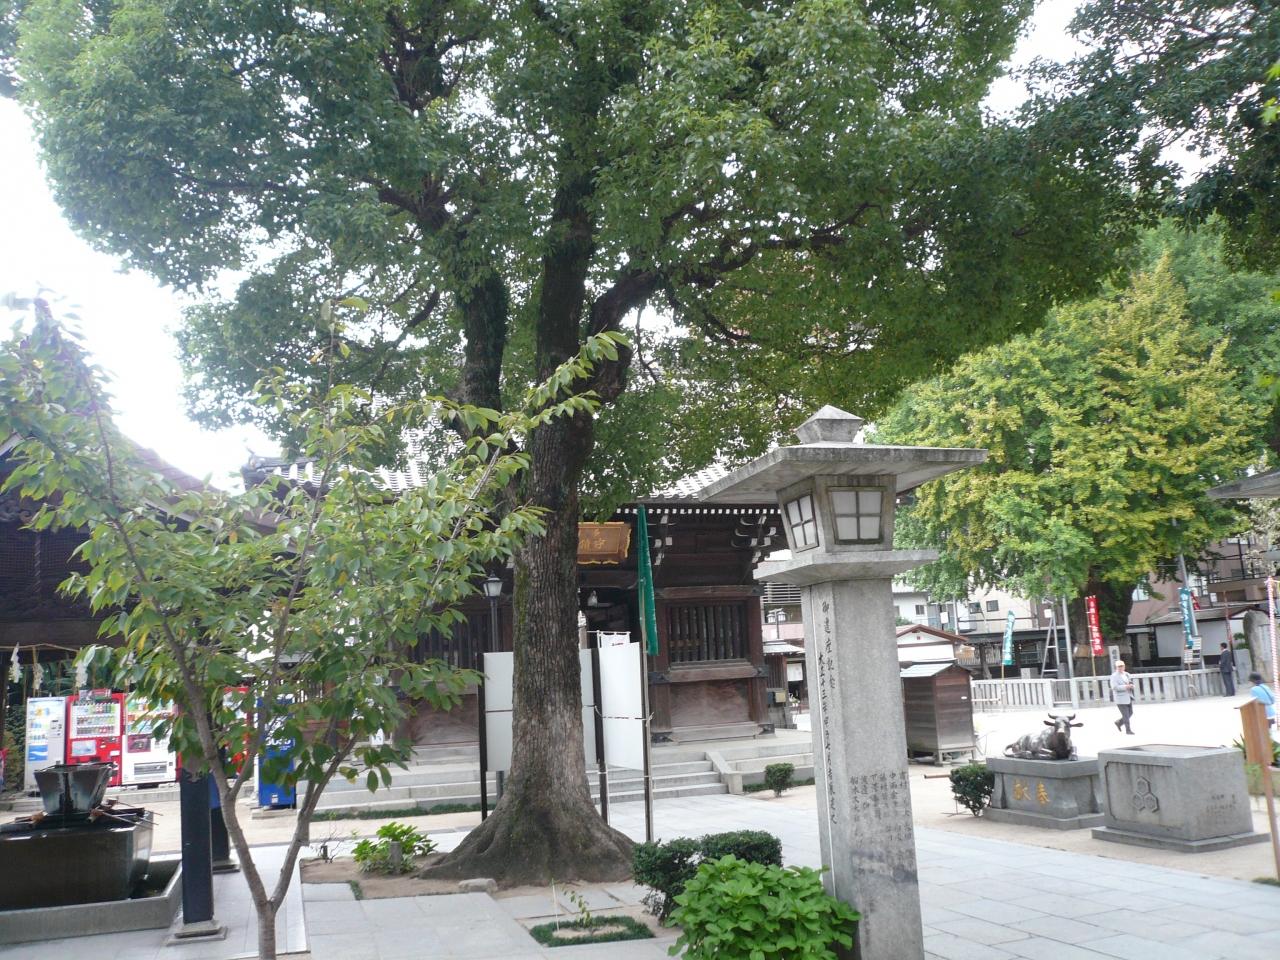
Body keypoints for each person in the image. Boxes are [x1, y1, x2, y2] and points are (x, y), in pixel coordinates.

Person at [1111, 660, 1135, 734]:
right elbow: (1114, 687)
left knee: (1130, 713)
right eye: (1119, 666)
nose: (1121, 668)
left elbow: (1130, 682)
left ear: (1124, 666)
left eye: (1122, 666)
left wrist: (1131, 685)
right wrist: (1126, 686)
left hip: (1128, 696)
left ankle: (1119, 722)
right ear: (1116, 667)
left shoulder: (1127, 674)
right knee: (1125, 715)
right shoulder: (1114, 676)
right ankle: (1128, 730)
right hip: (1120, 698)